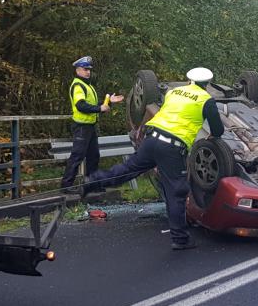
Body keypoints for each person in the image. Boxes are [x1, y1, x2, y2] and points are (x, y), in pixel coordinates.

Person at [84, 68, 224, 250]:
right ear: (208, 83)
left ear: (188, 79)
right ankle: (180, 239)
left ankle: (92, 181)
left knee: (128, 169)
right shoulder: (206, 100)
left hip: (151, 139)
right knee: (177, 191)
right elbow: (218, 130)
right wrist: (212, 136)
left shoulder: (173, 92)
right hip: (172, 147)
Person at [60, 56, 123, 191]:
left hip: (90, 126)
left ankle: (92, 184)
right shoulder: (78, 85)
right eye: (85, 69)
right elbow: (81, 106)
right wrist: (100, 109)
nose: (88, 72)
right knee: (77, 156)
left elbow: (94, 105)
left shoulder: (88, 86)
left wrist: (109, 102)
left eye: (89, 69)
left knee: (94, 156)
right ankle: (66, 186)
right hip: (82, 126)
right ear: (77, 70)